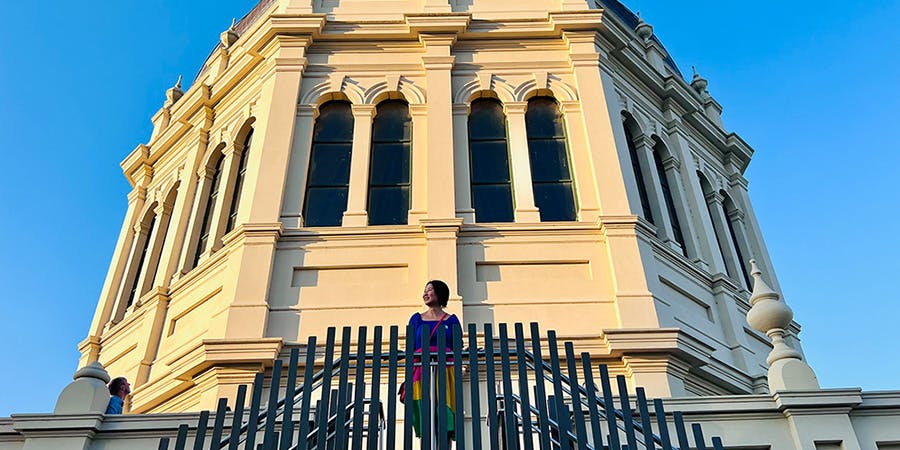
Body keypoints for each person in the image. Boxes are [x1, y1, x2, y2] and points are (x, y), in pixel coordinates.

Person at [407, 280, 461, 445]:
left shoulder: (451, 320)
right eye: (425, 290)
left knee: (445, 415)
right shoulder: (417, 319)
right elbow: (411, 346)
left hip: (445, 371)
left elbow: (458, 347)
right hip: (420, 370)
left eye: (429, 290)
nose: (425, 293)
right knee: (425, 414)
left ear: (440, 293)